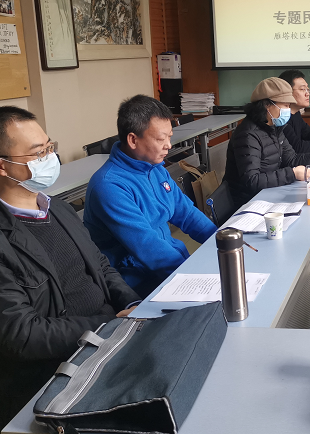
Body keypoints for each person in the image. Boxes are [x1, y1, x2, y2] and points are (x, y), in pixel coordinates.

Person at [0, 107, 141, 434]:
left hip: (105, 345)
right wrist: (109, 325)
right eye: (38, 153)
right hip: (54, 379)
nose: (49, 159)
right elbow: (24, 335)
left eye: (49, 147)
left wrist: (132, 304)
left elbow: (99, 265)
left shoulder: (58, 208)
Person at [84, 95, 217, 298]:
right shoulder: (109, 186)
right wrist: (191, 277)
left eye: (169, 137)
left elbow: (186, 213)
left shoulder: (155, 168)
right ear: (133, 140)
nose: (168, 145)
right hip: (137, 282)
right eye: (161, 139)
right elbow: (147, 246)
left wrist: (221, 241)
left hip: (170, 264)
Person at [225, 77, 310, 207]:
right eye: (285, 105)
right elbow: (252, 181)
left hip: (269, 194)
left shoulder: (275, 127)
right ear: (267, 105)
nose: (288, 110)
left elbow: (292, 159)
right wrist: (292, 174)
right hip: (248, 203)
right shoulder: (248, 135)